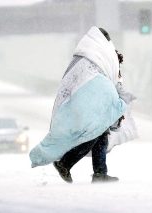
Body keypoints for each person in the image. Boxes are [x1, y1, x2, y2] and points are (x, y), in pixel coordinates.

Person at [29, 26, 128, 183]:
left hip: (86, 103)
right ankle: (65, 163)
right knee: (93, 134)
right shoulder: (97, 55)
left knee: (100, 133)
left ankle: (100, 173)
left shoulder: (86, 56)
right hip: (89, 103)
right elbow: (104, 80)